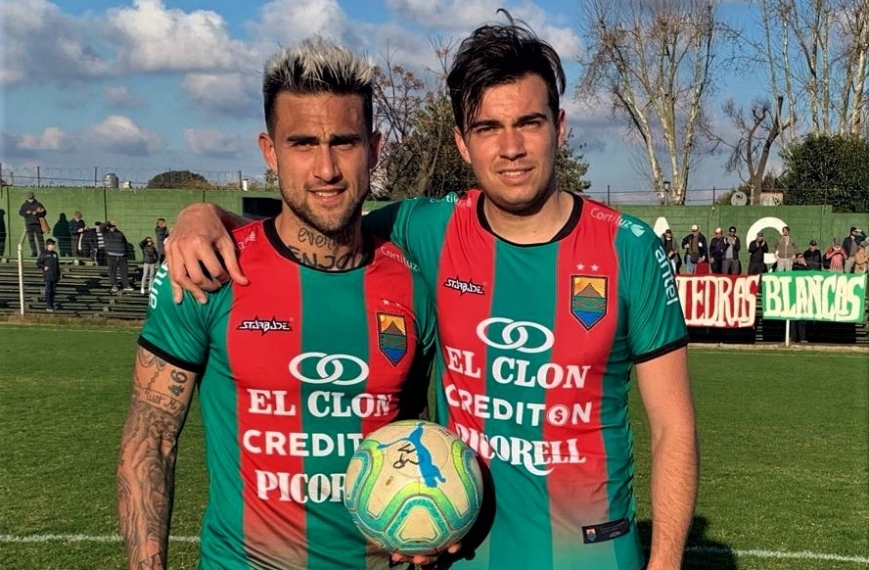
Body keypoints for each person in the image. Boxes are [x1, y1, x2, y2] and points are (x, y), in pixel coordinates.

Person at [163, 14, 698, 570]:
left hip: (594, 556)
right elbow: (318, 222)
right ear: (462, 143)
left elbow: (673, 428)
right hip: (464, 557)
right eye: (487, 128)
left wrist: (663, 565)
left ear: (559, 128)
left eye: (529, 123)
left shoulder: (630, 250)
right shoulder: (429, 228)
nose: (511, 147)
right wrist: (206, 216)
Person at [117, 38, 436, 570]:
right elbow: (151, 438)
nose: (326, 168)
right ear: (270, 152)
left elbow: (416, 425)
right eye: (303, 143)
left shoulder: (411, 285)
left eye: (344, 142)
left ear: (375, 148)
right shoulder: (210, 272)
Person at [104, 221, 133, 292]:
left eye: (113, 226)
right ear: (108, 227)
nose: (112, 228)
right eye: (111, 227)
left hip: (121, 256)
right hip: (111, 256)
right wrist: (109, 222)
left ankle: (126, 285)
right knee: (112, 271)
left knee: (124, 271)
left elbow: (125, 242)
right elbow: (102, 226)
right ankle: (114, 286)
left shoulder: (120, 233)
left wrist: (125, 253)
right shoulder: (106, 233)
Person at [18, 191, 47, 257]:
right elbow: (20, 212)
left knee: (40, 238)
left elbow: (44, 212)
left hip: (37, 223)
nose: (30, 199)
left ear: (33, 197)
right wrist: (26, 212)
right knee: (31, 239)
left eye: (31, 198)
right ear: (27, 198)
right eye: (29, 198)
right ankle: (34, 252)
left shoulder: (38, 204)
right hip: (29, 224)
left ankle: (42, 252)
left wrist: (37, 212)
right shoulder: (25, 205)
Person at [37, 238, 61, 312]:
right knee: (48, 291)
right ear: (48, 245)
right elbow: (38, 263)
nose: (54, 246)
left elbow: (57, 265)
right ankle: (48, 306)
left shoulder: (55, 254)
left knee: (53, 291)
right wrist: (44, 267)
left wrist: (58, 274)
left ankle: (52, 305)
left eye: (54, 245)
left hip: (54, 276)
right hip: (47, 276)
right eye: (52, 245)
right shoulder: (44, 254)